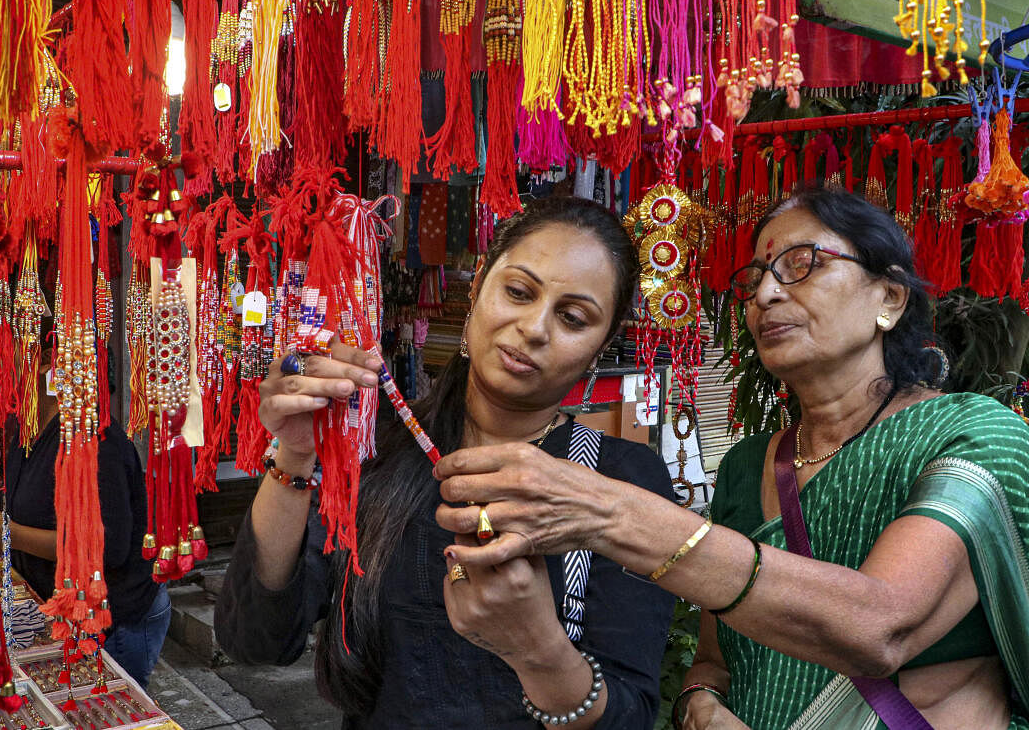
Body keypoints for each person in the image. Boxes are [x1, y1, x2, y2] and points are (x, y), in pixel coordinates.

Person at [432, 188, 1029, 730]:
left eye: (802, 264)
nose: (765, 294)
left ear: (890, 299)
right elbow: (715, 660)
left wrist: (604, 511)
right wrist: (700, 702)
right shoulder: (750, 466)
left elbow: (884, 626)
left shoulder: (973, 434)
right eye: (755, 279)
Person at [215, 197, 676, 728]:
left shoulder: (618, 481)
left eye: (573, 317)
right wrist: (294, 454)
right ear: (478, 284)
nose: (534, 328)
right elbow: (255, 640)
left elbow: (630, 715)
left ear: (601, 346)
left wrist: (540, 651)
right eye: (519, 292)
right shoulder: (383, 451)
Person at [5, 320, 171, 688]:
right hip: (61, 609)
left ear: (48, 360)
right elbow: (25, 505)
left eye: (12, 349)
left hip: (115, 617)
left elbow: (105, 549)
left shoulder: (97, 442)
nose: (3, 361)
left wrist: (7, 533)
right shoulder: (28, 430)